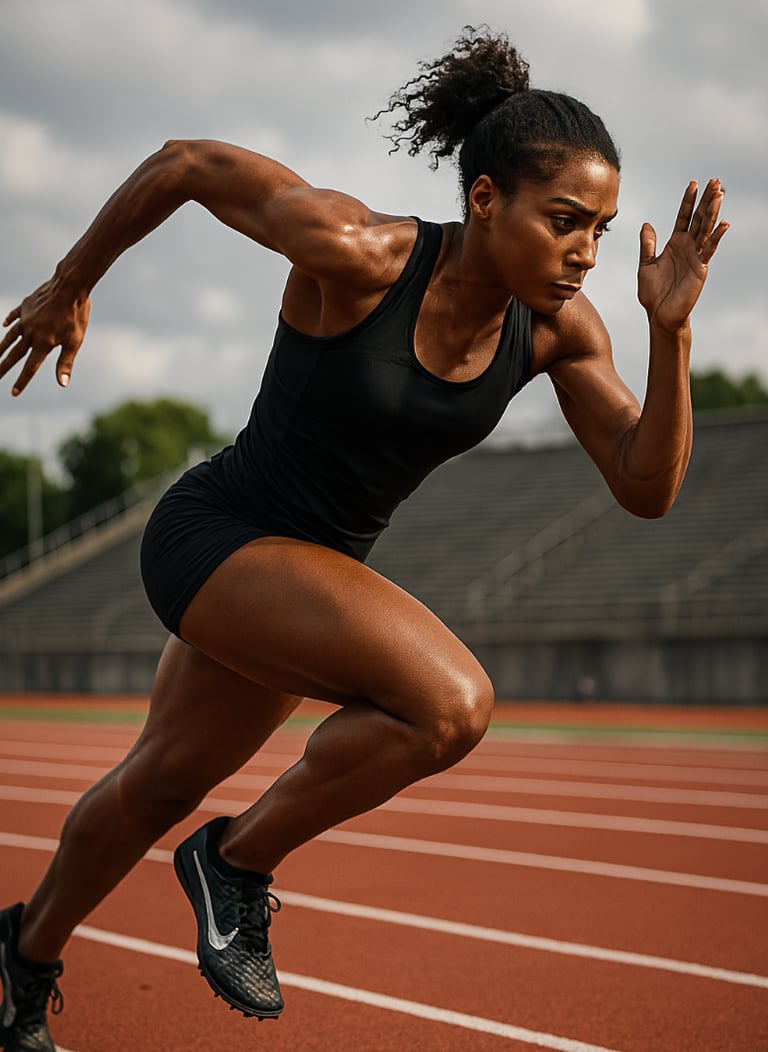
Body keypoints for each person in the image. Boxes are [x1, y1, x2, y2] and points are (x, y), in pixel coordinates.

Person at [0, 25, 727, 1051]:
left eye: (602, 229)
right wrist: (74, 281)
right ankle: (236, 862)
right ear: (486, 200)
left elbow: (644, 487)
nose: (586, 253)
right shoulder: (362, 251)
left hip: (305, 580)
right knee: (451, 701)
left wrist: (672, 334)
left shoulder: (563, 329)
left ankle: (21, 962)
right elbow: (187, 164)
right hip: (219, 533)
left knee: (155, 779)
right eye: (565, 220)